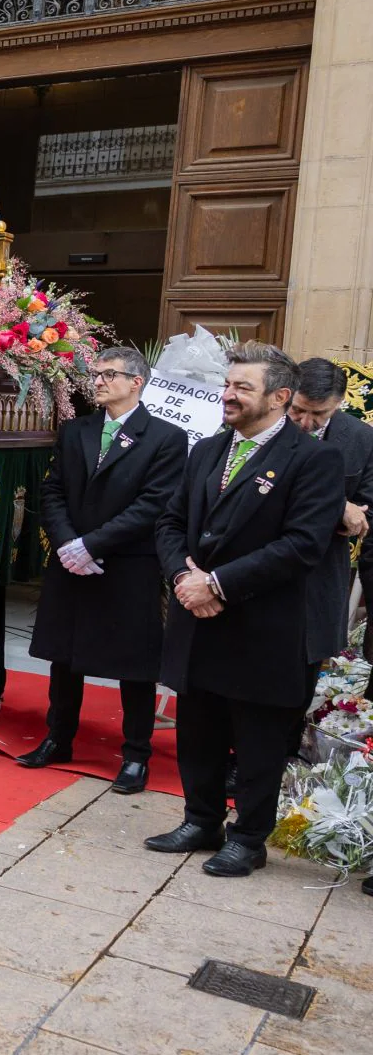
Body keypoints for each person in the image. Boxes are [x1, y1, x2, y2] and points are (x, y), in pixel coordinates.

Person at [148, 342, 343, 879]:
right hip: (198, 618)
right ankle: (201, 820)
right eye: (227, 385)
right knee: (199, 728)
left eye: (242, 388)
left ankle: (249, 837)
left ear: (280, 397)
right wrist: (184, 578)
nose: (227, 395)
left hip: (264, 626)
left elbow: (302, 544)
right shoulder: (207, 450)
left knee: (257, 740)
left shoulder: (315, 460)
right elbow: (169, 522)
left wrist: (218, 584)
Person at [19, 347, 188, 795]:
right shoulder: (77, 430)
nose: (97, 381)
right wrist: (67, 543)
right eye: (95, 374)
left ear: (137, 382)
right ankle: (58, 738)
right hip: (71, 559)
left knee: (133, 664)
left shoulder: (165, 437)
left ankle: (136, 755)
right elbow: (52, 490)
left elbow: (155, 504)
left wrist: (93, 544)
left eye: (108, 375)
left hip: (127, 564)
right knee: (65, 657)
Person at [289, 358, 373, 656]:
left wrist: (348, 512)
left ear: (338, 405)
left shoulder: (362, 439)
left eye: (319, 414)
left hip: (320, 575)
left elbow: (365, 512)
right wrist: (338, 504)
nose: (306, 423)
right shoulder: (263, 427)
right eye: (298, 410)